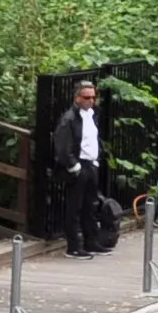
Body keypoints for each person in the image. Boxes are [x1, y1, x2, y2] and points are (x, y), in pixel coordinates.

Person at [58, 80, 113, 253]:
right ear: (77, 98)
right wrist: (74, 167)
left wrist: (95, 161)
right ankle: (73, 247)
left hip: (90, 164)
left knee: (90, 206)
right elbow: (63, 146)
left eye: (93, 97)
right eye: (86, 97)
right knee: (74, 207)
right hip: (79, 166)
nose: (90, 100)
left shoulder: (91, 114)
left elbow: (92, 139)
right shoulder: (70, 118)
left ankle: (91, 242)